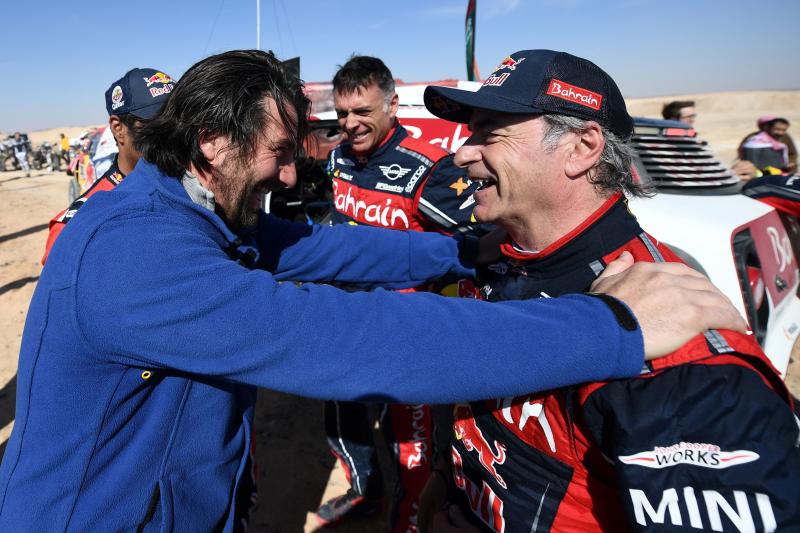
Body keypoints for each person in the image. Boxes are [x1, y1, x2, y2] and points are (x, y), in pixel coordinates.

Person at [0, 50, 747, 532]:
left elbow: (325, 247)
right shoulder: (134, 254)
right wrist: (612, 327)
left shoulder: (198, 210)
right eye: (280, 154)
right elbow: (349, 337)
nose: (293, 178)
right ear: (212, 143)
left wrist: (459, 249)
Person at [418, 49, 800, 532]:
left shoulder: (672, 343)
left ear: (582, 147)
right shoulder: (497, 260)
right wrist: (445, 477)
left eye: (489, 131)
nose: (461, 154)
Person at [318, 55, 484, 530]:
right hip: (345, 322)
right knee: (341, 413)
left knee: (411, 455)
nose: (350, 124)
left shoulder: (425, 170)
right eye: (343, 114)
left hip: (404, 338)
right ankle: (361, 488)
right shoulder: (338, 159)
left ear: (392, 104)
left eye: (362, 112)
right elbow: (340, 222)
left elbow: (477, 244)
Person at [41, 67, 175, 264]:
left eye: (177, 122)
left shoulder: (202, 184)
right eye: (156, 126)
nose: (172, 134)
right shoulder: (76, 228)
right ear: (118, 128)